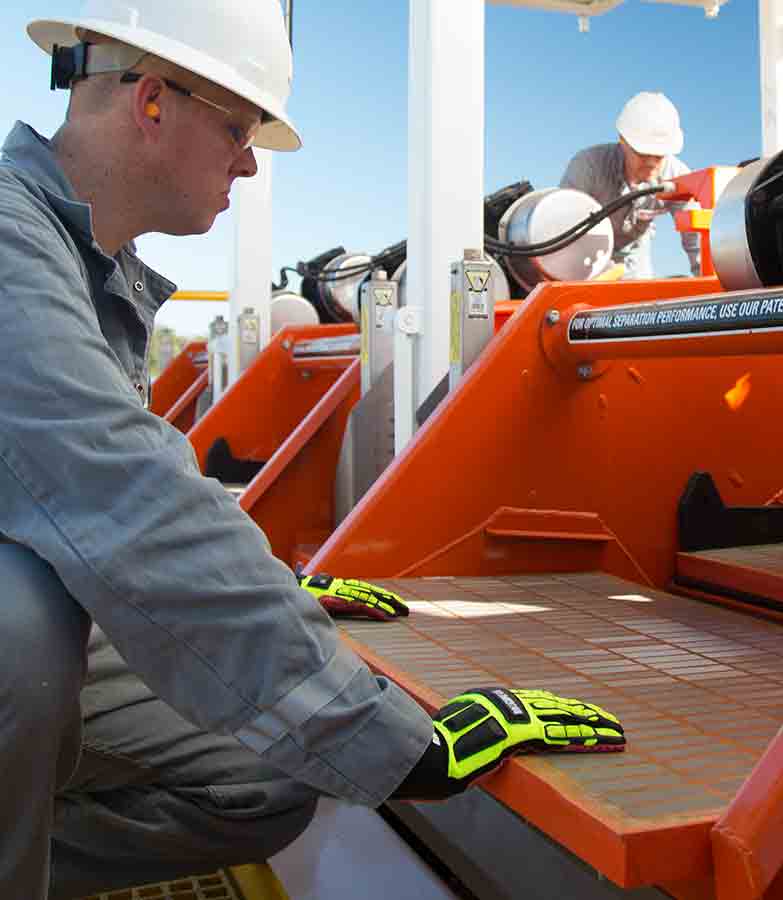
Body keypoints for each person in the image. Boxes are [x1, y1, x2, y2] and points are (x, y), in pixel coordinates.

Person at [0, 3, 623, 898]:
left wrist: (271, 588)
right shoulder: (12, 246)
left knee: (261, 777)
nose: (249, 161)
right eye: (240, 128)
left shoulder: (82, 257)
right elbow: (126, 501)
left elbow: (132, 475)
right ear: (150, 103)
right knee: (19, 622)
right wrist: (406, 743)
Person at [560, 91, 701, 280]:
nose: (651, 163)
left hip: (635, 259)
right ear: (623, 140)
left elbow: (697, 239)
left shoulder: (678, 178)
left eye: (659, 156)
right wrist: (602, 272)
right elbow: (563, 226)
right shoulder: (588, 165)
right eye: (643, 154)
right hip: (586, 255)